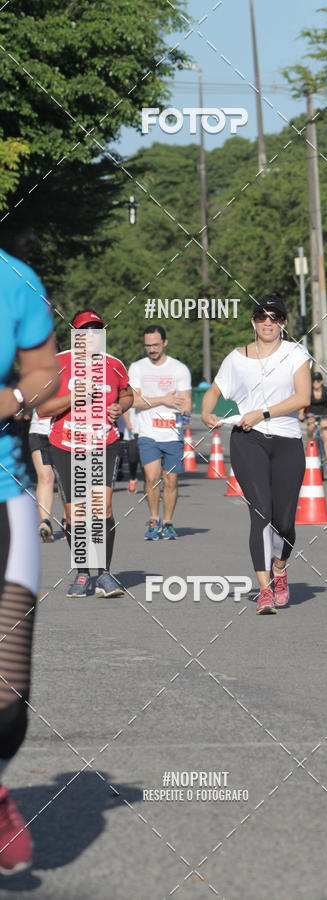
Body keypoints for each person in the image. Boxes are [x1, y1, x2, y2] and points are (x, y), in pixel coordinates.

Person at [0, 246, 59, 873]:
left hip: (4, 495)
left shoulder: (15, 278)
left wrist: (9, 399)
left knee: (9, 698)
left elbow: (46, 377)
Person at [201, 293, 311, 614]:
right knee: (260, 511)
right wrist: (208, 413)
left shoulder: (295, 353)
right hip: (248, 439)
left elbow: (302, 396)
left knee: (286, 522)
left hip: (287, 440)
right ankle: (264, 589)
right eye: (262, 316)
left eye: (274, 317)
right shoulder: (236, 358)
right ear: (253, 321)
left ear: (283, 323)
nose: (268, 322)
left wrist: (262, 412)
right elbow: (214, 391)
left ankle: (279, 568)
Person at [38, 309, 133, 598]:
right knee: (76, 513)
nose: (91, 336)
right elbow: (43, 409)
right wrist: (75, 396)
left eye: (96, 330)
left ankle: (103, 573)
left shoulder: (113, 365)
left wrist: (121, 406)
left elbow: (127, 393)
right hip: (66, 445)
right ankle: (82, 573)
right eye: (85, 330)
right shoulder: (58, 364)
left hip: (105, 443)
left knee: (102, 507)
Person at [128, 325, 192, 540]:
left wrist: (184, 418)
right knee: (152, 477)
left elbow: (185, 401)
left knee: (171, 480)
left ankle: (168, 523)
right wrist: (163, 399)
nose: (152, 349)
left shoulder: (179, 369)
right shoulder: (137, 368)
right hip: (148, 432)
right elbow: (133, 400)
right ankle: (154, 520)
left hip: (172, 434)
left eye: (155, 345)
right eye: (148, 346)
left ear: (165, 343)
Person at [28, 409, 58, 541]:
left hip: (66, 433)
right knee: (47, 477)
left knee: (56, 477)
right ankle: (47, 522)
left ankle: (60, 520)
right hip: (41, 434)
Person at [301, 372, 327, 473]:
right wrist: (301, 413)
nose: (316, 382)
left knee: (326, 435)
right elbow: (303, 402)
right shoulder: (309, 391)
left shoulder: (326, 390)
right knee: (311, 427)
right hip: (311, 415)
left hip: (324, 415)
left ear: (321, 381)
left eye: (318, 380)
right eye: (314, 381)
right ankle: (310, 443)